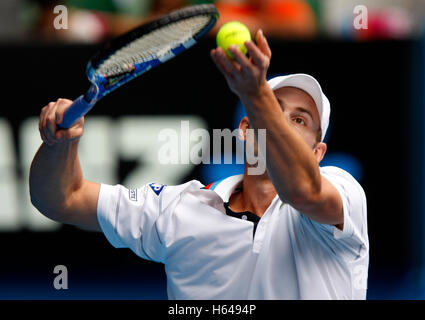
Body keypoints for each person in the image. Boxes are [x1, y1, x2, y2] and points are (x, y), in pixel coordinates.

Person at [29, 29, 369, 299]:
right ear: (246, 131)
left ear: (317, 154)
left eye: (300, 121)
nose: (283, 122)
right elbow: (63, 199)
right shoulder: (177, 208)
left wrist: (256, 96)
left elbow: (303, 190)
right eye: (275, 109)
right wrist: (60, 143)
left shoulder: (344, 196)